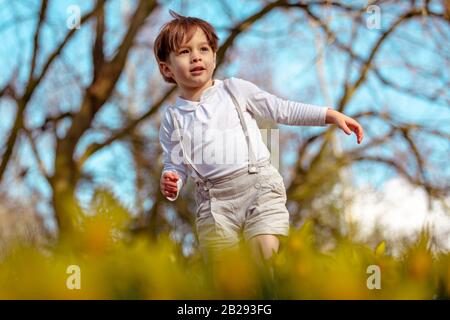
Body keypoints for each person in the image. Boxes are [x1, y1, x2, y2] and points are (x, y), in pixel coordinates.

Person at [155, 10, 364, 267]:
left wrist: (328, 115)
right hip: (213, 204)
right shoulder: (173, 118)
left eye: (204, 49)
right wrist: (172, 179)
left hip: (259, 189)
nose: (196, 56)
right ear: (167, 68)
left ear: (214, 55)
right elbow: (176, 163)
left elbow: (281, 109)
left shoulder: (234, 90)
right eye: (185, 51)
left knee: (264, 260)